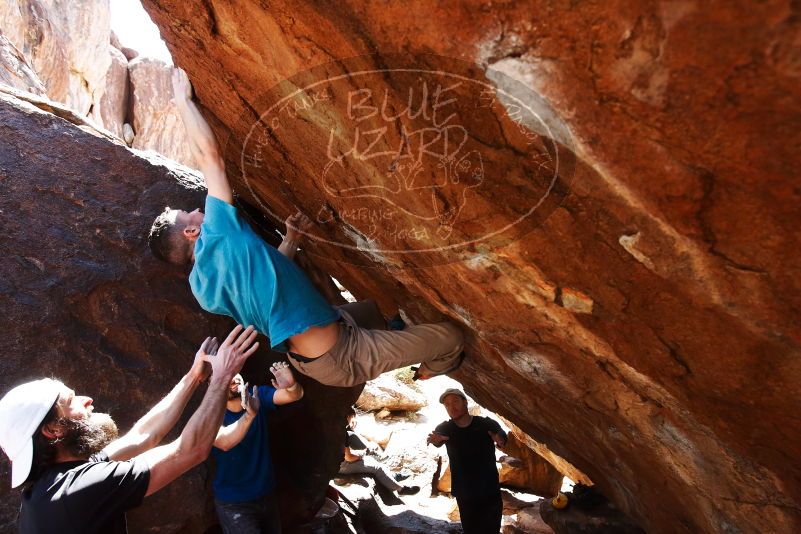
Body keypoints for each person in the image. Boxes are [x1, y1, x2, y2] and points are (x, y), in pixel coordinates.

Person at [147, 67, 465, 387]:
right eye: (189, 215)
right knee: (450, 337)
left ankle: (395, 335)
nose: (196, 210)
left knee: (376, 310)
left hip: (316, 355)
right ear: (192, 232)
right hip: (344, 353)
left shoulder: (202, 289)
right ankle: (432, 368)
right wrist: (183, 102)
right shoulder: (218, 232)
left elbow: (264, 284)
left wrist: (291, 241)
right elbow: (209, 157)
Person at [0, 324, 259, 534]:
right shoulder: (77, 490)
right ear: (53, 430)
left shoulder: (57, 483)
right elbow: (191, 451)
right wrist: (223, 376)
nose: (87, 399)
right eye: (71, 402)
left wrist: (193, 376)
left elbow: (143, 435)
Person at [211, 361, 304, 534]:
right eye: (224, 376)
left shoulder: (256, 395)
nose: (232, 378)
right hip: (234, 502)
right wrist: (249, 416)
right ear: (213, 385)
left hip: (266, 492)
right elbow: (224, 442)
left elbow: (295, 395)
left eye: (234, 371)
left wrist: (292, 386)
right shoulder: (212, 414)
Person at [427, 388, 507, 534]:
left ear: (465, 402)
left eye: (455, 402)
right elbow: (437, 438)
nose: (452, 407)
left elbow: (501, 433)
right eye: (447, 405)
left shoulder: (485, 424)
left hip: (489, 491)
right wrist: (435, 440)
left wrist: (500, 438)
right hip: (465, 494)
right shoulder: (446, 428)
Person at [338, 407, 419, 496]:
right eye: (352, 417)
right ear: (347, 417)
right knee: (377, 468)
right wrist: (360, 456)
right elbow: (349, 458)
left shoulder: (336, 428)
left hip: (333, 464)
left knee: (370, 459)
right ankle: (400, 489)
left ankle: (392, 477)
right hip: (340, 467)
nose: (352, 420)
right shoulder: (342, 433)